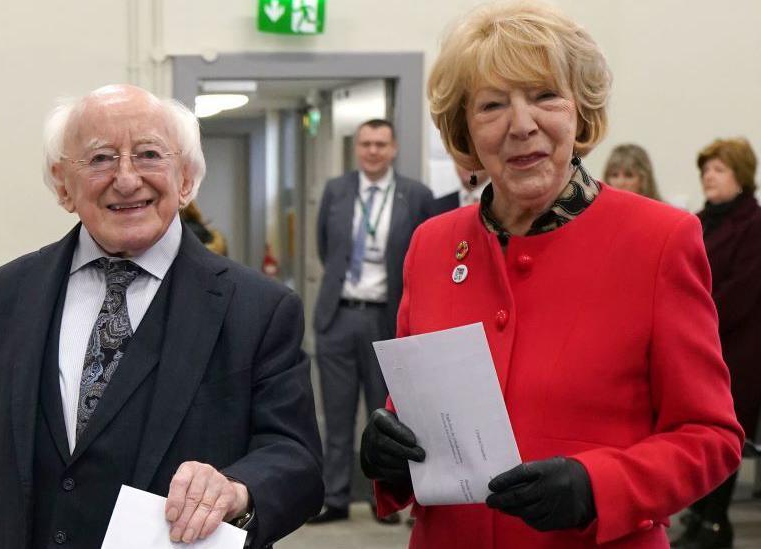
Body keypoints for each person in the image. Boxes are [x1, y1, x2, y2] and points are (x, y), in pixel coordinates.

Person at [359, 2, 744, 548]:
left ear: (580, 111)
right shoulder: (432, 244)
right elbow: (418, 406)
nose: (522, 125)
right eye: (492, 105)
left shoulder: (659, 239)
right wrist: (388, 452)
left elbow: (711, 436)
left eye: (545, 96)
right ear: (466, 129)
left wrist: (599, 486)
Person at [0, 84, 323, 549]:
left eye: (148, 154)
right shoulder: (3, 296)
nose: (126, 179)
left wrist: (237, 489)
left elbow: (296, 460)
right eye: (100, 158)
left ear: (185, 178)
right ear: (63, 183)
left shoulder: (259, 309)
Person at [310, 119, 439, 524]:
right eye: (366, 144)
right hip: (339, 315)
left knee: (385, 413)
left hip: (387, 318)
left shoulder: (415, 196)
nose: (372, 151)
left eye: (381, 144)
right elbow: (325, 247)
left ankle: (383, 498)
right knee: (335, 412)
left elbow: (424, 253)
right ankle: (335, 497)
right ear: (357, 148)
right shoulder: (337, 191)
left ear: (394, 148)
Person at [672, 137, 761, 549]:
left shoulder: (754, 224)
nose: (709, 176)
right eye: (706, 169)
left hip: (737, 348)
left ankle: (716, 522)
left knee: (726, 433)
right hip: (696, 344)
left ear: (741, 177)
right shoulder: (699, 220)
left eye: (719, 169)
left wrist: (690, 315)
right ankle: (699, 514)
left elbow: (741, 292)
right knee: (694, 430)